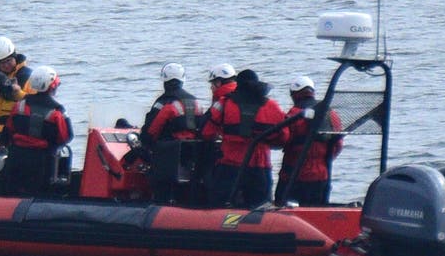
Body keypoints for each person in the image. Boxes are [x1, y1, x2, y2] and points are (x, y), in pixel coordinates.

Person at [202, 68, 288, 208]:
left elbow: (207, 132)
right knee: (261, 208)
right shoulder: (273, 106)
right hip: (261, 167)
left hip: (230, 165)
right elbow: (284, 137)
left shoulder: (224, 103)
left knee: (219, 206)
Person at [0, 65, 71, 197]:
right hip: (42, 163)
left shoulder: (19, 105)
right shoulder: (57, 112)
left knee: (9, 190)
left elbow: (7, 132)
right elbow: (66, 137)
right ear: (53, 86)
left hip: (16, 159)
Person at [141, 62, 205, 204]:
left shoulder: (164, 103)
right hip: (193, 155)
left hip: (168, 155)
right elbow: (204, 128)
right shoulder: (196, 102)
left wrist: (144, 143)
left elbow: (150, 132)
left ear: (164, 80)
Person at [277, 75, 345, 206]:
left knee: (281, 207)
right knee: (318, 209)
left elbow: (282, 139)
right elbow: (338, 144)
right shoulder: (331, 114)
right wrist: (324, 160)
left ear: (294, 95)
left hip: (293, 176)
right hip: (322, 175)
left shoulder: (293, 115)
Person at [0, 37, 31, 151]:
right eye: (2, 63)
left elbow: (36, 103)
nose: (6, 65)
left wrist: (17, 92)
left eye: (9, 60)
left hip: (19, 137)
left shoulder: (27, 76)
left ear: (15, 57)